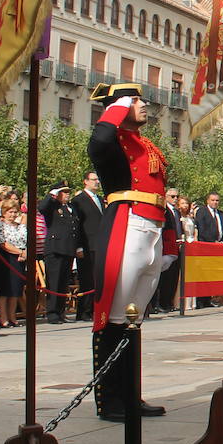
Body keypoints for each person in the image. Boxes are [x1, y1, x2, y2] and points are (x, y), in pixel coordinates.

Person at [87, 83, 173, 421]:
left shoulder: (144, 143)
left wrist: (168, 244)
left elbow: (160, 193)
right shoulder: (113, 141)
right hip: (128, 224)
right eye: (135, 100)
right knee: (114, 317)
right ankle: (109, 400)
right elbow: (99, 143)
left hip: (151, 226)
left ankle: (130, 395)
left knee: (134, 321)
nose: (143, 105)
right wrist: (116, 108)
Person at [40, 182, 82, 323]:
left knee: (63, 282)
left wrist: (78, 247)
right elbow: (41, 208)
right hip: (55, 248)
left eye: (68, 191)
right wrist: (52, 194)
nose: (67, 194)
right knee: (54, 282)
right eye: (63, 192)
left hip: (68, 249)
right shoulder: (52, 206)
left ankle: (60, 312)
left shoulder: (71, 208)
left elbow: (76, 228)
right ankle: (52, 314)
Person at [71, 171, 106, 322]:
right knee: (87, 280)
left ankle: (94, 309)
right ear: (86, 181)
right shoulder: (79, 200)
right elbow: (77, 225)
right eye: (93, 180)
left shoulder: (99, 199)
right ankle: (84, 311)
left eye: (98, 179)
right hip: (86, 245)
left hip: (99, 245)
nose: (96, 182)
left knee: (97, 279)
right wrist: (78, 246)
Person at [0, 198, 28, 327]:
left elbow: (26, 241)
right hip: (5, 258)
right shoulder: (0, 225)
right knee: (3, 289)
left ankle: (12, 316)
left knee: (16, 290)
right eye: (10, 212)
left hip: (20, 258)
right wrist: (19, 252)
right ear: (4, 212)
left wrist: (24, 253)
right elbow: (3, 243)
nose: (13, 215)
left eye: (15, 212)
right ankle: (3, 318)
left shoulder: (20, 226)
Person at [154, 189, 186, 313]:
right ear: (166, 196)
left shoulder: (176, 212)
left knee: (173, 277)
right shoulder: (164, 209)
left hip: (175, 246)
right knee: (164, 277)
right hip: (165, 247)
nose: (175, 198)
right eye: (172, 196)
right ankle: (160, 303)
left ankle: (168, 302)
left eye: (177, 196)